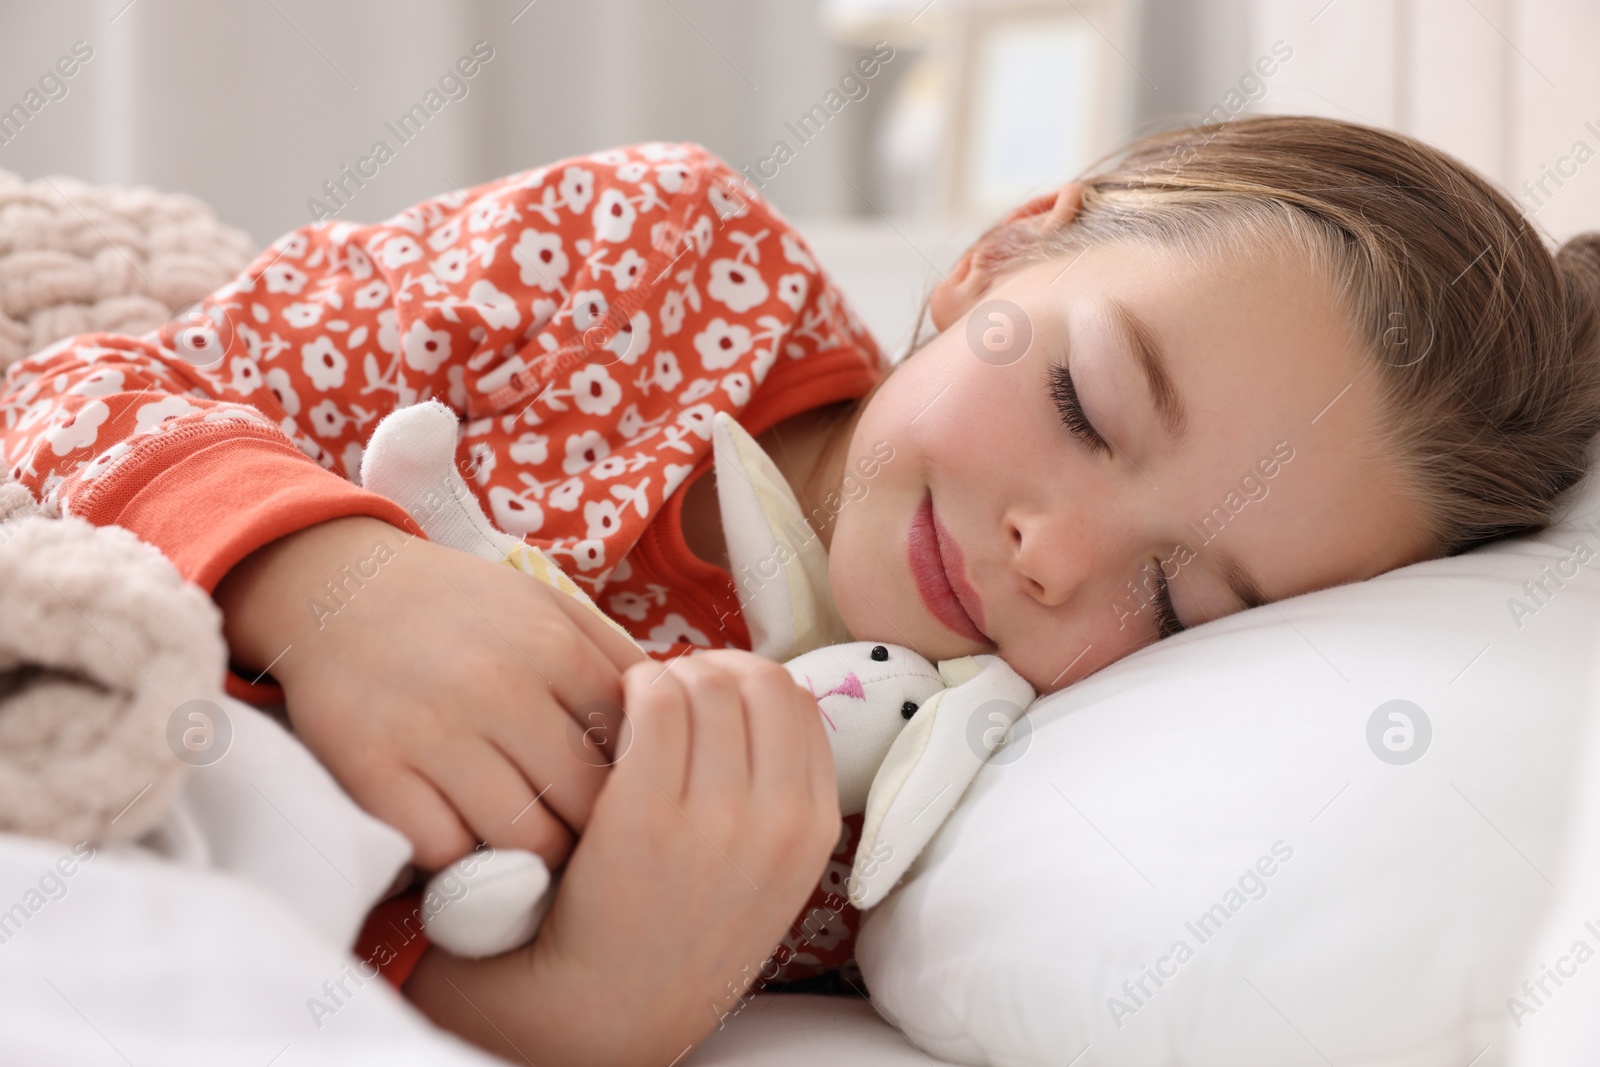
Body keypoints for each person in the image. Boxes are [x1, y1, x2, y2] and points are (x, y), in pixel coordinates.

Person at [4, 115, 1599, 1064]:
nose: (1053, 551)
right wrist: (333, 579)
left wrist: (581, 1010)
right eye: (1085, 408)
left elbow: (341, 980)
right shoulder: (653, 258)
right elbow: (78, 386)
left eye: (1179, 608)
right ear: (991, 264)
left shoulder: (894, 842)